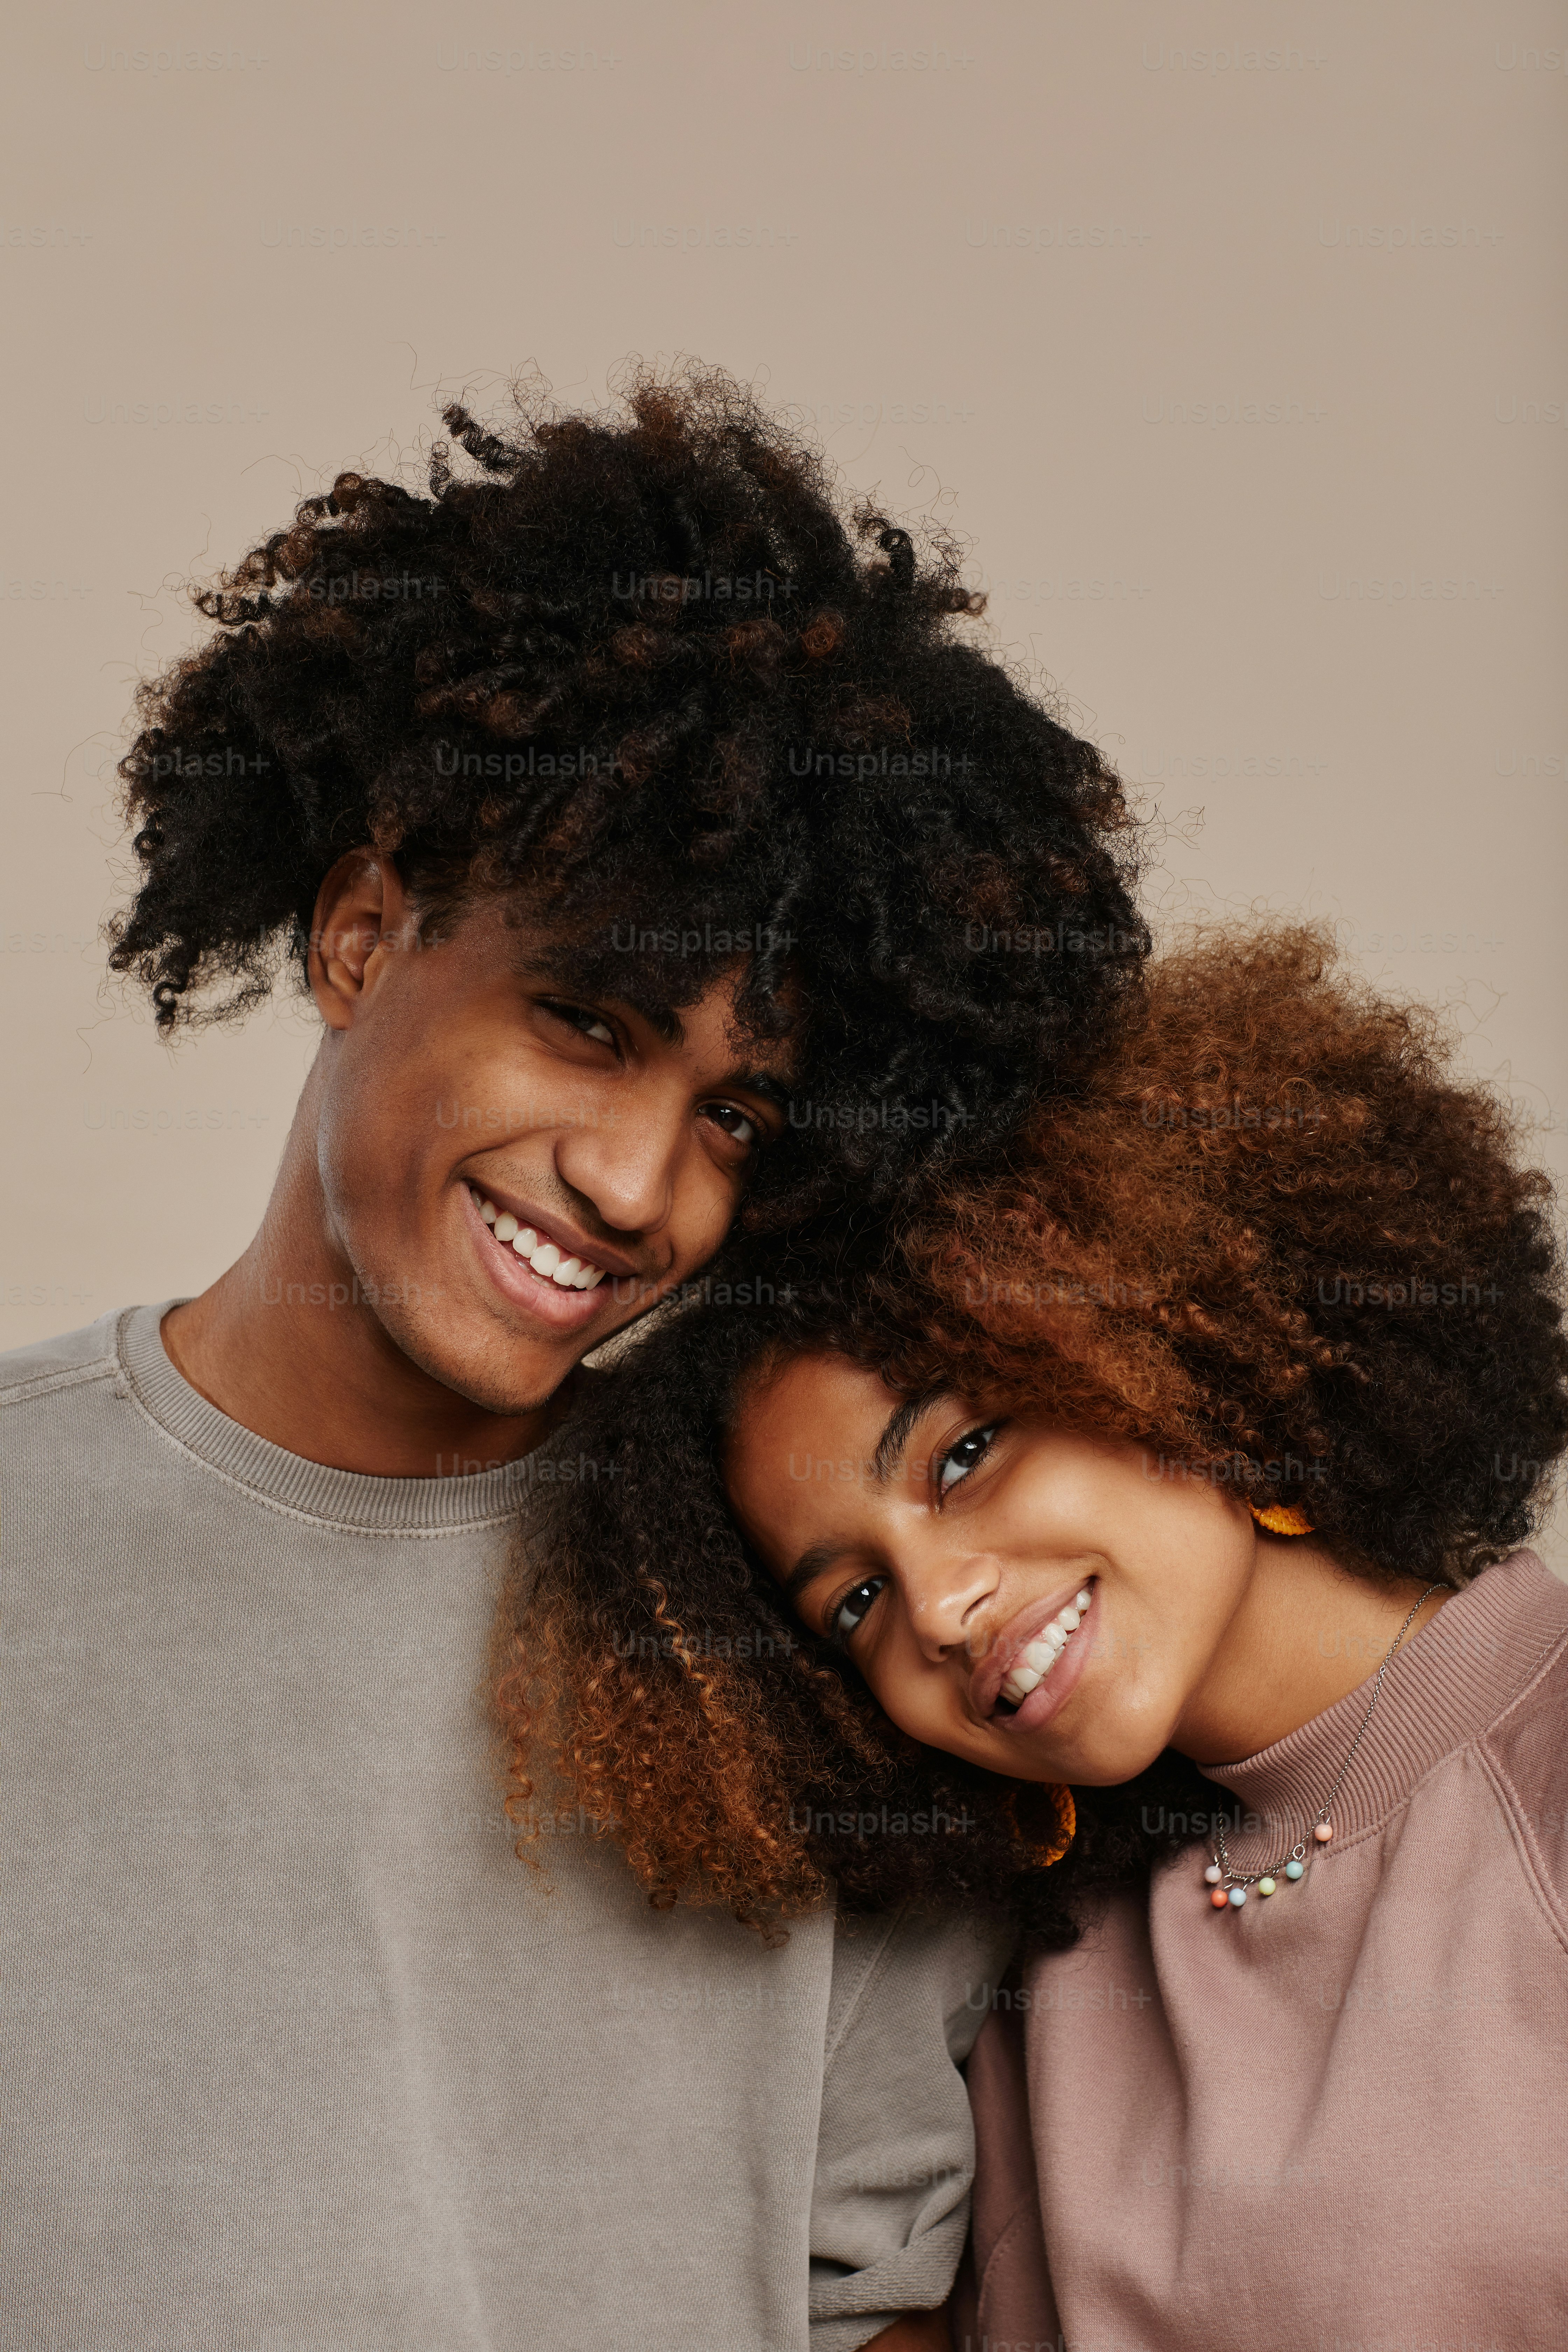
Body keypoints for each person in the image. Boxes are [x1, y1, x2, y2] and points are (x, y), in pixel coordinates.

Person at [0, 366, 1148, 2352]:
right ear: (361, 934)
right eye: (590, 1022)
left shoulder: (809, 1601)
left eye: (741, 1121)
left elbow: (883, 2296)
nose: (638, 1186)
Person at [506, 925, 1568, 2350]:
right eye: (855, 1604)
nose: (939, 1612)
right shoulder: (1030, 1968)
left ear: (1167, 1336)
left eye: (961, 1459)